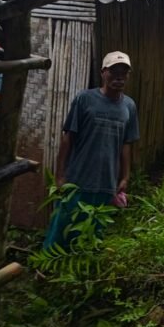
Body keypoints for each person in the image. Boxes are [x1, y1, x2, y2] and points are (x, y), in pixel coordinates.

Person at [44, 51, 139, 249]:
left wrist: (125, 177)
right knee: (63, 226)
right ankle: (47, 268)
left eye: (124, 72)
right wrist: (60, 175)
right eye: (114, 71)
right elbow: (68, 138)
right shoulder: (85, 99)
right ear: (103, 72)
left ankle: (80, 271)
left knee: (93, 230)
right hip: (78, 179)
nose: (119, 77)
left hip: (107, 182)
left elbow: (126, 144)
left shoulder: (129, 106)